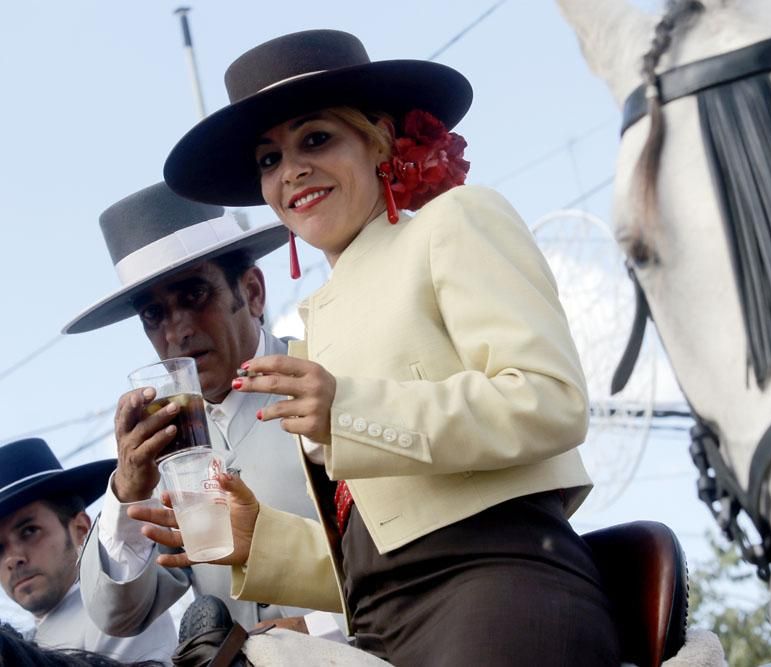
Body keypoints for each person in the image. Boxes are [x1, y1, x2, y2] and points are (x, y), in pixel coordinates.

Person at [142, 29, 621, 666]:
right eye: (269, 159)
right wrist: (258, 543)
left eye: (316, 139)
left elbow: (551, 400)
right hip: (378, 627)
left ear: (381, 139)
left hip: (497, 589)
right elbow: (377, 558)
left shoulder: (456, 220)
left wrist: (347, 411)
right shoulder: (317, 329)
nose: (292, 172)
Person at [63, 183, 343, 640]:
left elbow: (406, 553)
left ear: (252, 292)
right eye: (153, 315)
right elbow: (117, 616)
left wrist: (318, 628)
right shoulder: (167, 448)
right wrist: (128, 492)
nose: (177, 331)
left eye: (194, 296)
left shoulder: (324, 379)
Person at [0, 438, 175, 663]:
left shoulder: (124, 607)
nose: (13, 559)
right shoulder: (28, 640)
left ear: (81, 530)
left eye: (29, 531)